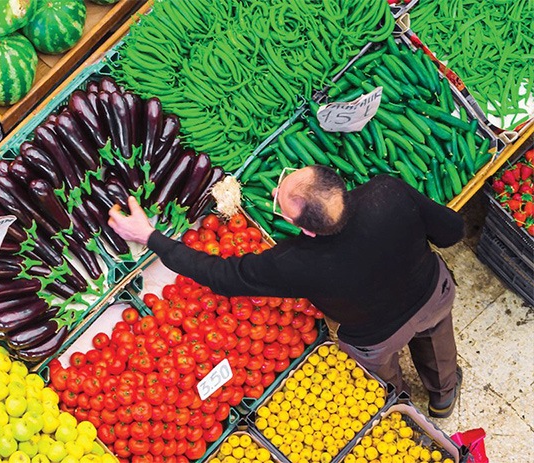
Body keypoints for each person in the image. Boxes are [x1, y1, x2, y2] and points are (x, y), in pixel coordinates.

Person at [108, 165, 464, 418]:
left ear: (306, 230)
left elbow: (221, 276)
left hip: (376, 337)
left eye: (282, 196)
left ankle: (399, 406)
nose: (276, 191)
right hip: (431, 293)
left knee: (382, 376)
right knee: (436, 338)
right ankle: (443, 395)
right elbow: (452, 231)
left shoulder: (295, 261)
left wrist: (150, 237)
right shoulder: (388, 191)